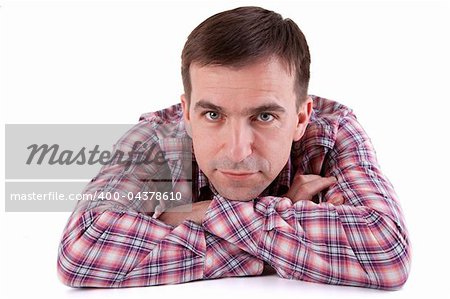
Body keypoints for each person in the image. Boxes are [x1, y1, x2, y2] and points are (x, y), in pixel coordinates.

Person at [57, 6, 411, 290]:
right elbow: (83, 250)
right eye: (213, 114)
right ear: (187, 114)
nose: (239, 150)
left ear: (302, 117)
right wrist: (284, 222)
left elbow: (386, 250)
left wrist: (197, 213)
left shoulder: (333, 130)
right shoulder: (154, 138)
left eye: (264, 116)